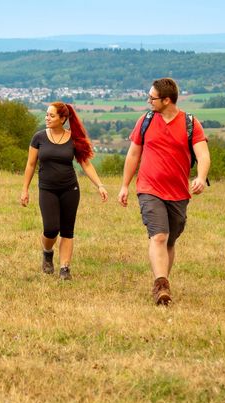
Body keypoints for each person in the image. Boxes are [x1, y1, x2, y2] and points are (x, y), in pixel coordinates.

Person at [117, 77, 210, 305]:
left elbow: (203, 155)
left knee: (170, 240)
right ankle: (161, 286)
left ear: (167, 100)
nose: (149, 101)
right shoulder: (146, 121)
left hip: (178, 192)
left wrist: (201, 177)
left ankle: (163, 282)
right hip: (149, 188)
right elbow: (133, 154)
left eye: (152, 98)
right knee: (158, 235)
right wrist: (124, 186)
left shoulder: (190, 123)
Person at [21, 102, 108, 280]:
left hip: (70, 189)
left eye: (51, 116)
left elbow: (86, 164)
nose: (47, 118)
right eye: (47, 115)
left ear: (63, 119)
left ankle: (64, 269)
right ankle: (47, 251)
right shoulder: (38, 138)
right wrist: (25, 189)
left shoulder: (73, 139)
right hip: (47, 189)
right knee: (51, 228)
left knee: (67, 230)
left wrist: (99, 185)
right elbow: (30, 165)